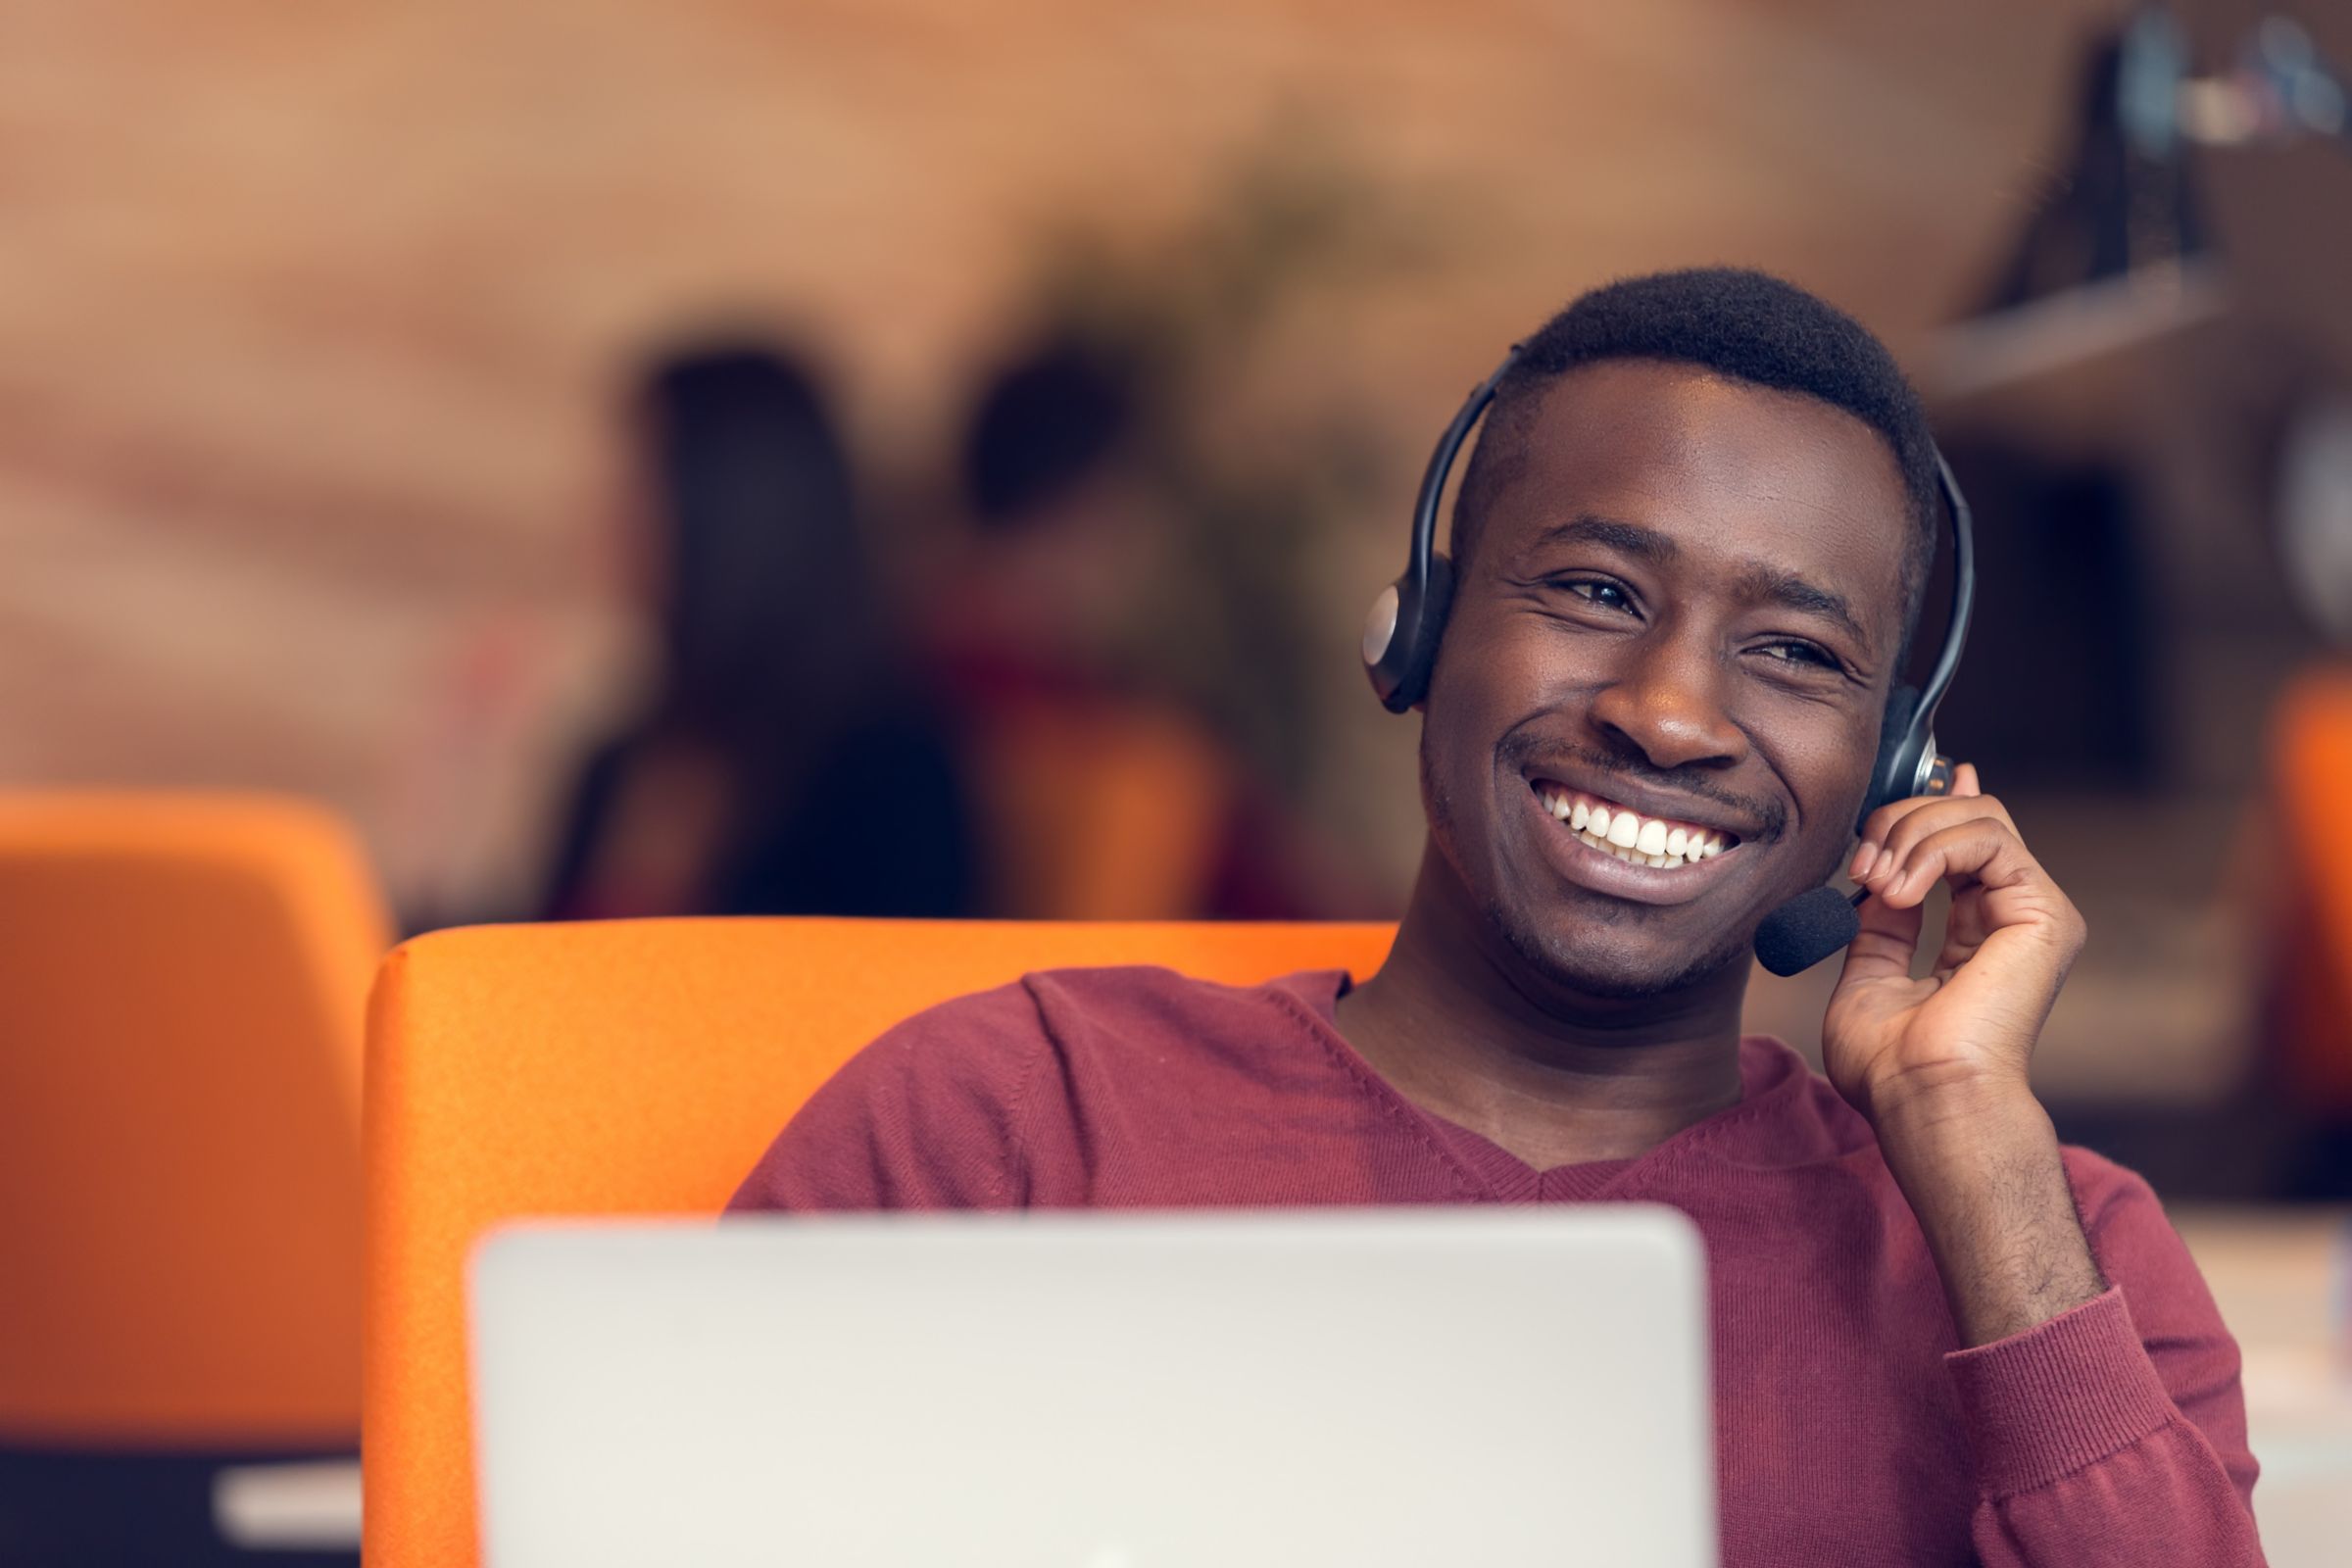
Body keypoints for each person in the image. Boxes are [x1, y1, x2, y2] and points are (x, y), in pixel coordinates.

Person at [730, 270, 2262, 1565]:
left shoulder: (2061, 1256)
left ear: (1896, 764)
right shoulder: (1009, 1128)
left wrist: (1977, 1158)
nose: (1670, 715)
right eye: (1596, 592)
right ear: (1419, 626)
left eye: (1795, 651)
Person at [540, 339, 975, 921]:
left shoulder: (888, 770)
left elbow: (908, 995)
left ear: (731, 510)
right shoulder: (622, 757)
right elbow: (524, 983)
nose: (604, 511)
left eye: (640, 480)